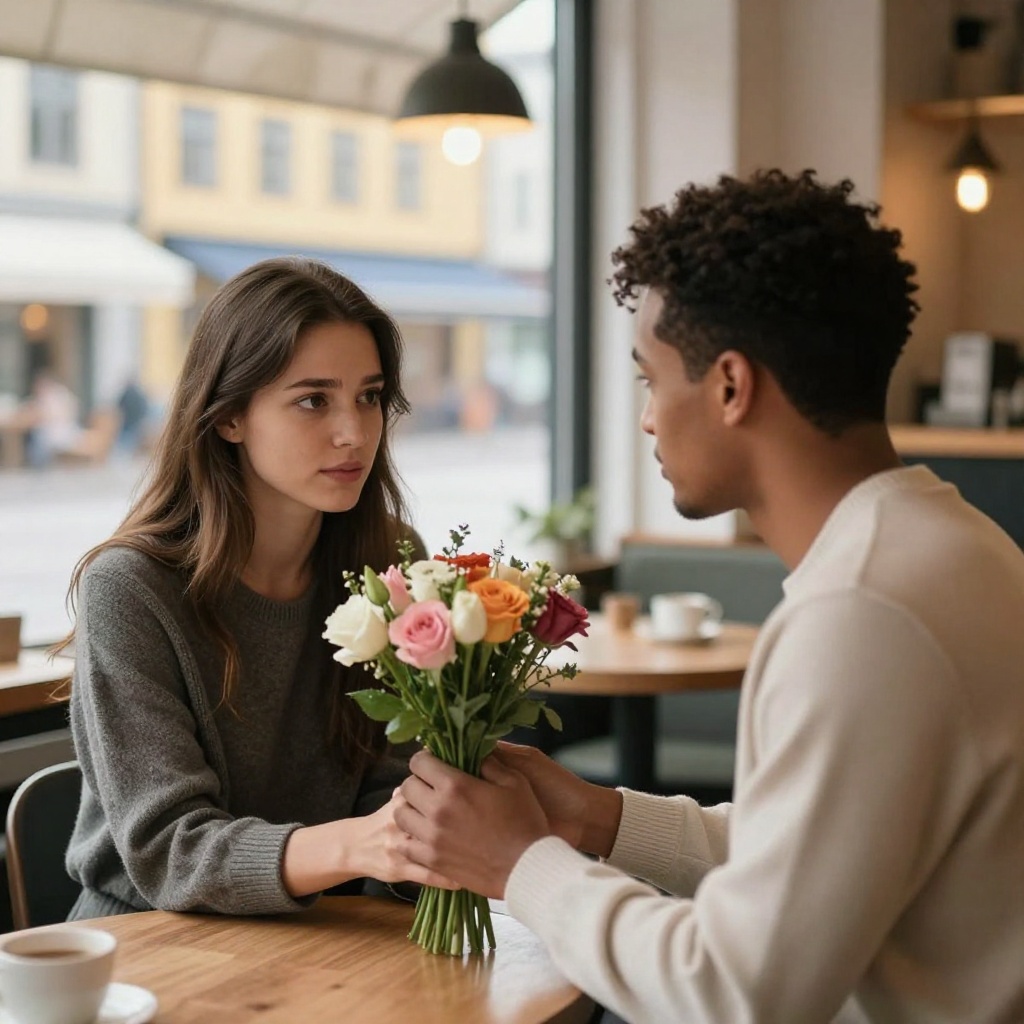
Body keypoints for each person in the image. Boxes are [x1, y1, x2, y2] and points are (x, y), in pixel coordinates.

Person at [394, 171, 1024, 1023]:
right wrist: (601, 819)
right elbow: (817, 857)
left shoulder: (860, 616)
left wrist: (521, 863)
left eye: (651, 380)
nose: (648, 419)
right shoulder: (954, 547)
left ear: (731, 386)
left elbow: (739, 989)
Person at [61, 257, 451, 920]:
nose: (353, 432)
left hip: (326, 934)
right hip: (150, 949)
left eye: (369, 396)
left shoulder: (390, 563)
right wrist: (363, 845)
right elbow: (170, 850)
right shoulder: (131, 590)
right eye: (313, 400)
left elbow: (393, 791)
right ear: (229, 416)